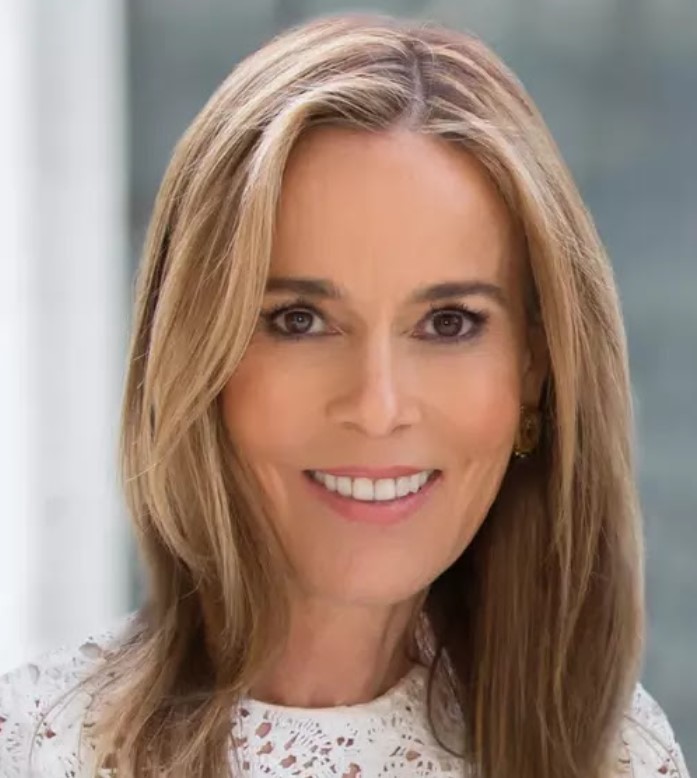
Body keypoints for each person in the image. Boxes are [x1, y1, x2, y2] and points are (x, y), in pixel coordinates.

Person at [0, 12, 690, 778]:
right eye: (299, 320)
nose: (376, 405)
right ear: (197, 357)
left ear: (533, 369)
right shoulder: (35, 748)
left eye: (448, 322)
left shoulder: (614, 757)